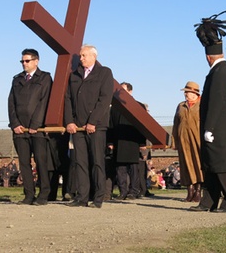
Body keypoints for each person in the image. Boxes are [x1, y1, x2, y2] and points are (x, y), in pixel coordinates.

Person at [189, 11, 226, 213]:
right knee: (211, 167)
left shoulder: (221, 73)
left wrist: (209, 127)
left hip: (219, 129)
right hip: (217, 127)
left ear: (209, 57)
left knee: (222, 167)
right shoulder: (220, 72)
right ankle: (208, 202)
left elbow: (216, 104)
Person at [64, 44, 114, 208]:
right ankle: (82, 196)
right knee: (80, 162)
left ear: (94, 56)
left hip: (96, 126)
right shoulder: (75, 75)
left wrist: (93, 121)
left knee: (97, 161)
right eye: (80, 55)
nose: (81, 58)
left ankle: (98, 197)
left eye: (84, 55)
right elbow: (68, 99)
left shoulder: (104, 73)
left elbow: (105, 99)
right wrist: (69, 121)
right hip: (77, 127)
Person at [8, 48, 53, 205]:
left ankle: (44, 193)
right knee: (24, 163)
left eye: (27, 61)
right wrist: (15, 124)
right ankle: (28, 194)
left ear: (36, 61)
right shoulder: (17, 79)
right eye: (22, 61)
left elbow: (44, 102)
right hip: (20, 129)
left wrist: (36, 124)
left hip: (37, 129)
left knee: (41, 161)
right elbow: (11, 103)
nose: (24, 64)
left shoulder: (45, 78)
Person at [108, 82, 147, 201]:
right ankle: (122, 192)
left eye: (124, 91)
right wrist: (110, 142)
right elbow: (111, 125)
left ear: (130, 92)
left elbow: (143, 126)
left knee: (133, 169)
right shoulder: (115, 107)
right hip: (118, 141)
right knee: (120, 169)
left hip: (132, 141)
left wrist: (142, 143)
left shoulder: (139, 106)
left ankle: (133, 191)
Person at [172, 81, 203, 203]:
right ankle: (189, 191)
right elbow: (175, 124)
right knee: (185, 165)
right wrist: (175, 140)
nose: (185, 94)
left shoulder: (201, 105)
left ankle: (198, 191)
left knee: (198, 165)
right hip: (183, 141)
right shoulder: (181, 106)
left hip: (197, 140)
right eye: (185, 92)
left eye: (187, 92)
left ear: (194, 93)